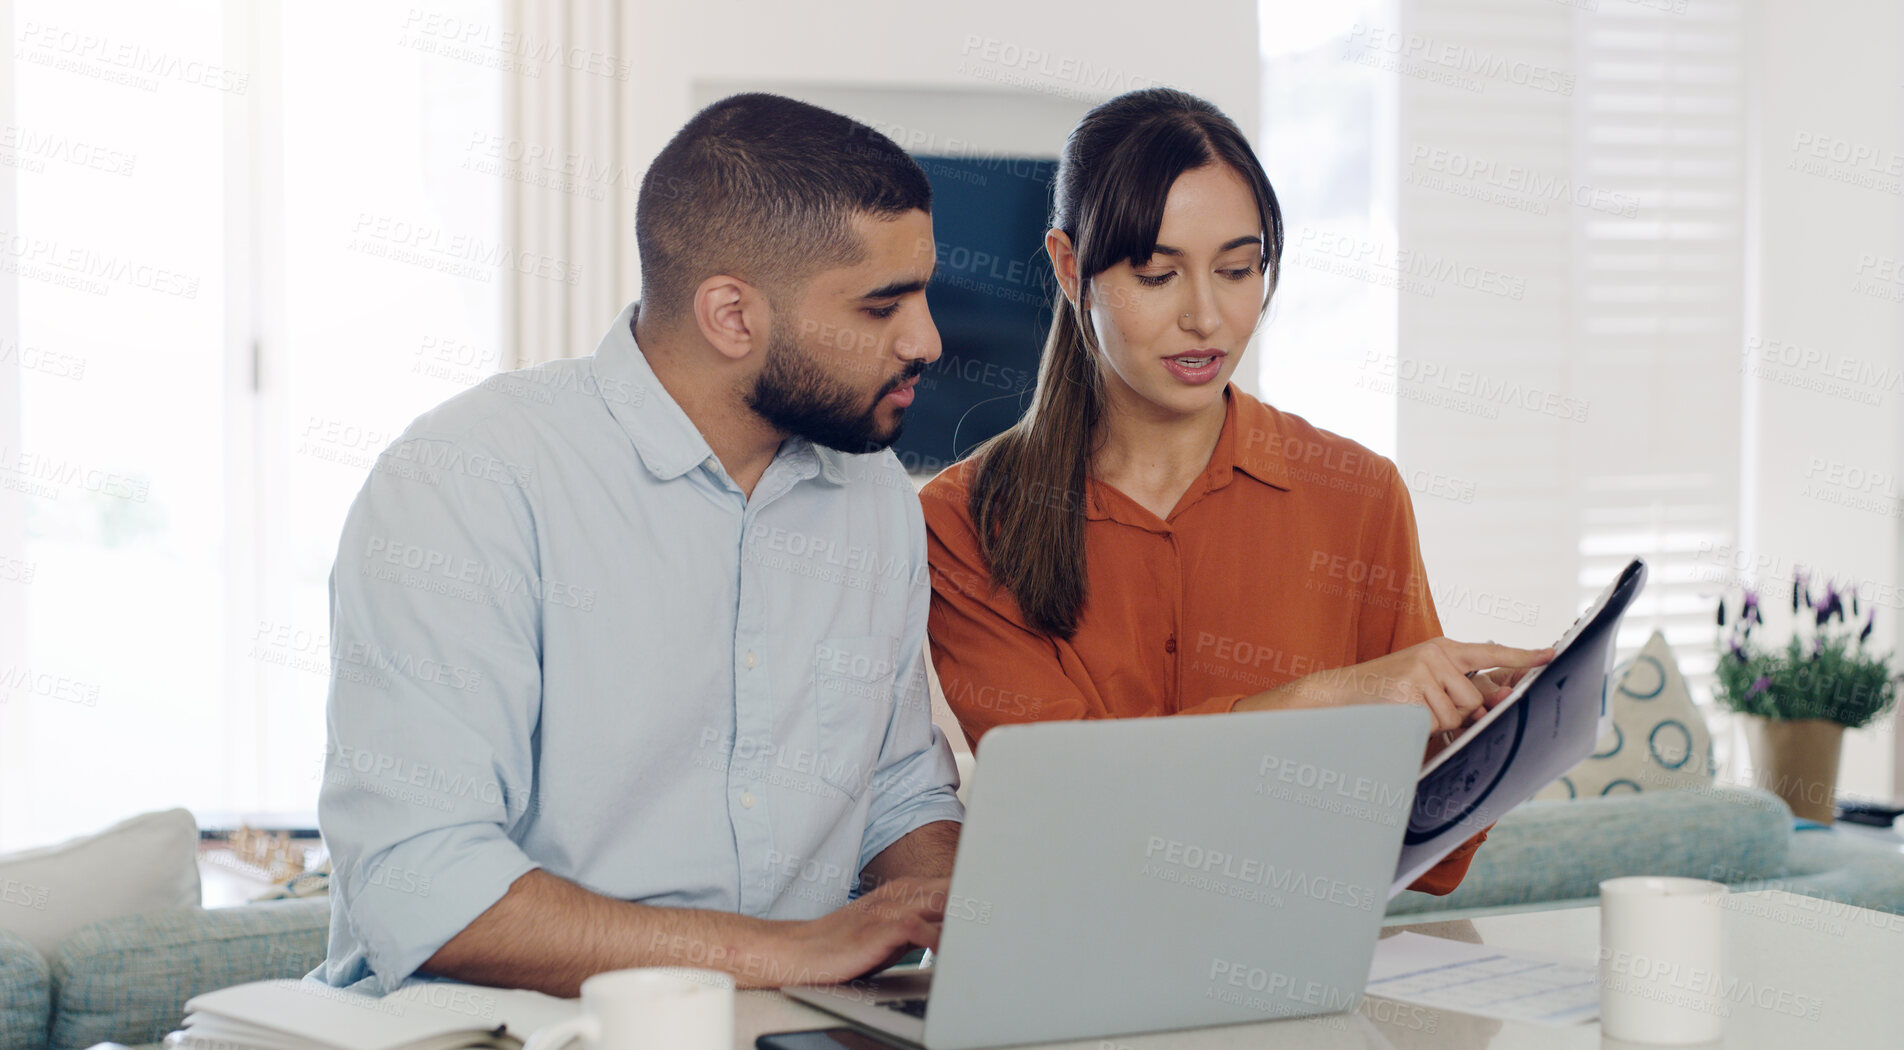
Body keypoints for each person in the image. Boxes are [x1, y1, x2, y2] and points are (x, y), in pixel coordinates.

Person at [316, 93, 963, 998]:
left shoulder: (872, 498)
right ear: (731, 316)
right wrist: (788, 953)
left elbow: (897, 791)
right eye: (881, 306)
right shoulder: (465, 481)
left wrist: (966, 915)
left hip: (776, 1025)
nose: (926, 338)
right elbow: (425, 884)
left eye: (923, 293)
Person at [920, 88, 1552, 895]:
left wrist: (1492, 733)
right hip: (1073, 969)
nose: (1207, 318)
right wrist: (1338, 698)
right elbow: (1070, 805)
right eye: (1157, 274)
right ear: (1069, 266)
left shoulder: (1360, 496)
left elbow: (1424, 853)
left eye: (1238, 269)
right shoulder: (963, 522)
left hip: (1311, 963)